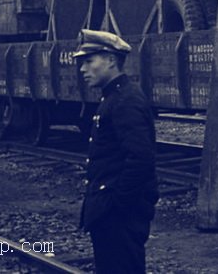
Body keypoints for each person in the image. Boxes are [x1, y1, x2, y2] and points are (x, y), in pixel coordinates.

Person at [74, 29, 159, 274]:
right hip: (110, 211)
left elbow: (141, 158)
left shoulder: (125, 100)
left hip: (119, 213)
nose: (83, 69)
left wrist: (117, 204)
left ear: (111, 60)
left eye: (89, 61)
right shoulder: (114, 97)